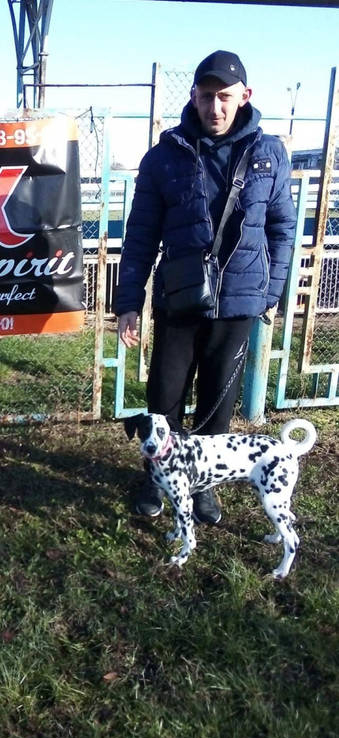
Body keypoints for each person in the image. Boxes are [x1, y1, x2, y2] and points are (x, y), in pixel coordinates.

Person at [115, 50, 297, 523]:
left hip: (239, 301)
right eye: (206, 96)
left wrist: (271, 292)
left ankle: (204, 487)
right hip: (180, 298)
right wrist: (129, 301)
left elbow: (281, 228)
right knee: (166, 396)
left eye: (225, 97)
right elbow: (139, 235)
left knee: (218, 399)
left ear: (245, 96)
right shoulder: (163, 157)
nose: (214, 107)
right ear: (193, 96)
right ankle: (156, 478)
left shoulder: (269, 154)